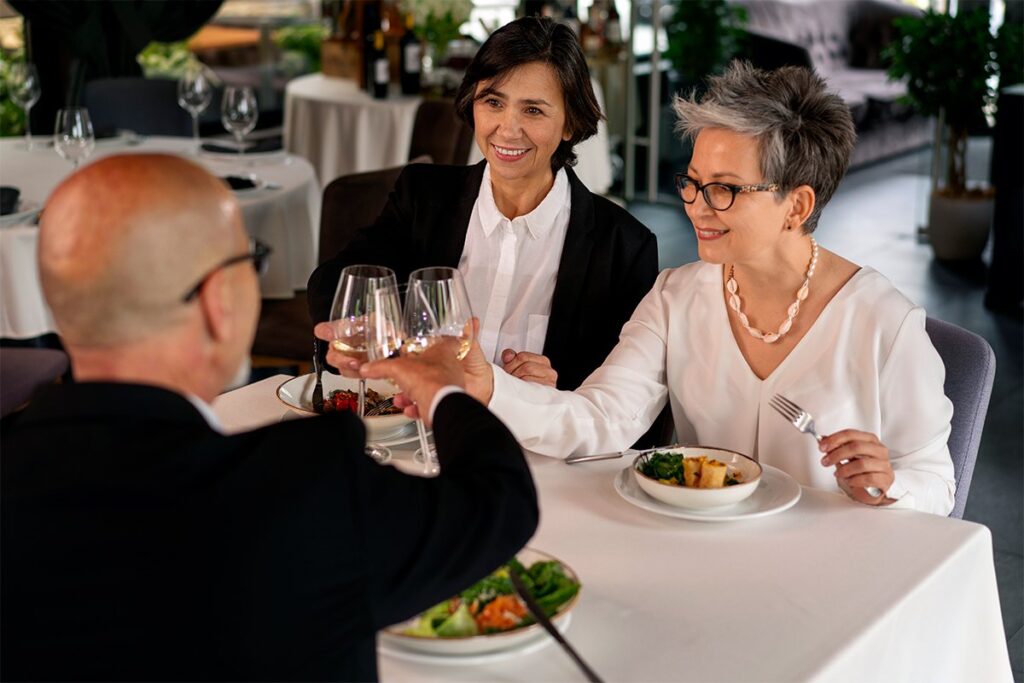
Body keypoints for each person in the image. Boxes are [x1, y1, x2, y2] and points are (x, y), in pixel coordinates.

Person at [1, 155, 539, 681]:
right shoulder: (307, 486)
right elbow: (501, 502)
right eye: (249, 259)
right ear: (218, 301)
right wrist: (446, 388)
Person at [454, 62, 956, 515]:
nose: (696, 205)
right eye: (692, 182)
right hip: (705, 550)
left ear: (797, 207)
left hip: (833, 566)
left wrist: (890, 486)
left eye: (725, 189)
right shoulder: (676, 296)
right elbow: (600, 419)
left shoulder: (884, 322)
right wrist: (488, 386)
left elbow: (936, 481)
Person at [309, 16, 658, 392]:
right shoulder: (423, 196)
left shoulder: (624, 246)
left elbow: (628, 396)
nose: (507, 129)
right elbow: (335, 282)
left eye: (533, 110)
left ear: (570, 123)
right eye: (493, 102)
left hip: (538, 447)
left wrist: (561, 392)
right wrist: (356, 328)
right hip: (417, 432)